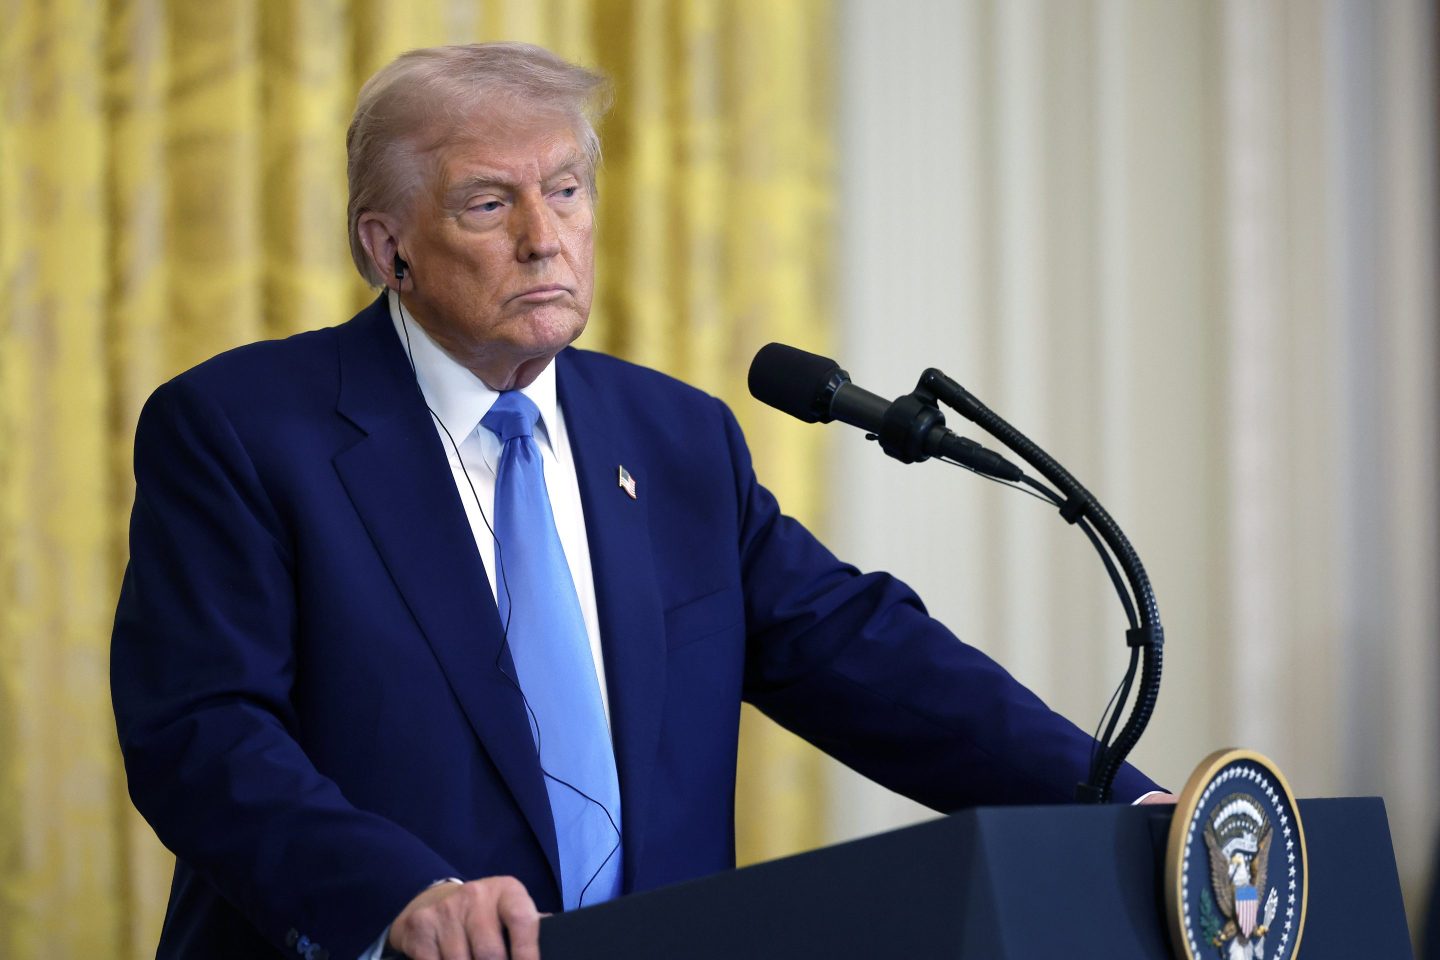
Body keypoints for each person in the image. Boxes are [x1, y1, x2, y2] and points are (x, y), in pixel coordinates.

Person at [110, 42, 1164, 960]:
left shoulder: (675, 437)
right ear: (387, 247)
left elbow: (860, 653)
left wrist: (1119, 812)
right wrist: (392, 897)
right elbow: (202, 732)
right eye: (489, 202)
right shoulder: (243, 430)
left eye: (566, 190)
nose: (544, 236)